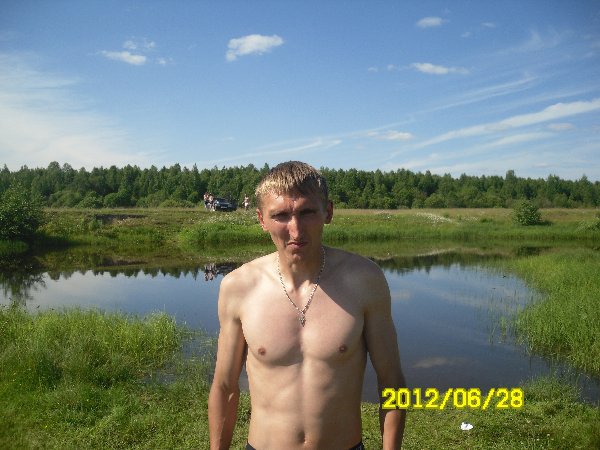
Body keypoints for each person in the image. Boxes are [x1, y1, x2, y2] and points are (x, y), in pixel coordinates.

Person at [208, 161, 406, 449]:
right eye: (280, 215)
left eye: (307, 212)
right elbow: (225, 387)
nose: (296, 230)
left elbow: (392, 383)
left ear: (328, 212)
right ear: (262, 219)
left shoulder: (365, 280)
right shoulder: (238, 286)